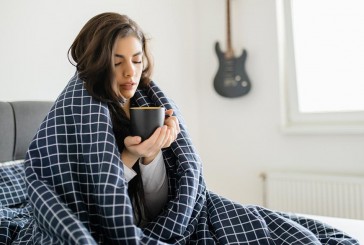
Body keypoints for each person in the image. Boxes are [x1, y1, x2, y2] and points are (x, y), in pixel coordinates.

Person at [24, 12, 359, 245]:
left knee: (274, 229)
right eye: (117, 62)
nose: (130, 73)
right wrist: (127, 157)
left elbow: (159, 207)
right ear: (97, 62)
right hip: (99, 223)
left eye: (137, 60)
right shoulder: (72, 114)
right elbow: (89, 204)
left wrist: (152, 157)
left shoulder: (148, 103)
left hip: (162, 218)